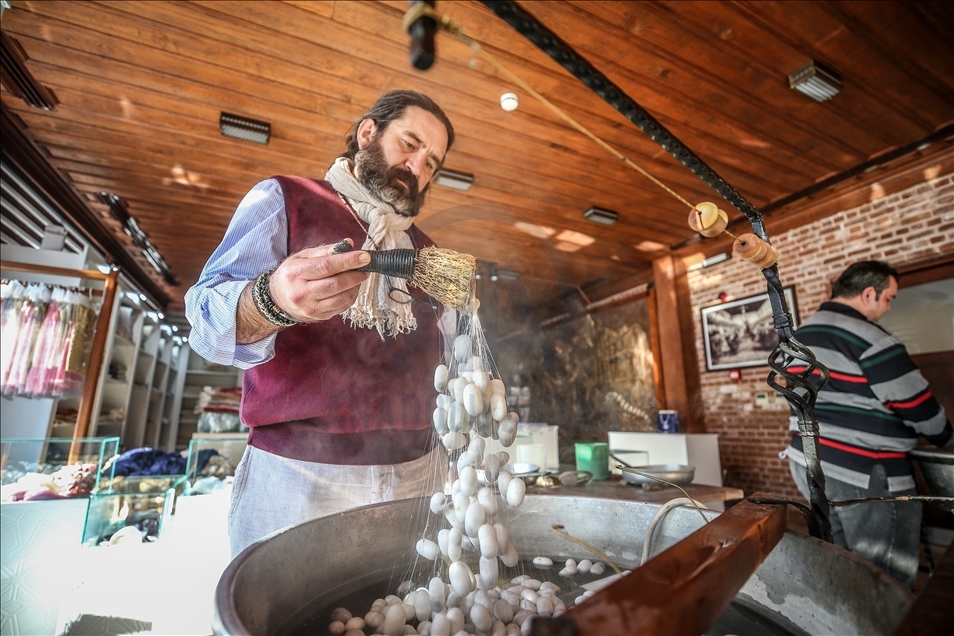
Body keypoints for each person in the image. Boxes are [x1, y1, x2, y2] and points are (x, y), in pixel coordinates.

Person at [185, 90, 456, 557]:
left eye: (431, 162)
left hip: (420, 477)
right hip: (298, 478)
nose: (417, 168)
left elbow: (452, 362)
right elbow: (205, 324)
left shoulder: (430, 256)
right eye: (410, 144)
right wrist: (270, 301)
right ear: (368, 133)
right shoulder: (286, 199)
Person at [786, 260, 952, 588]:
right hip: (866, 471)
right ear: (867, 294)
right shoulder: (870, 338)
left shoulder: (799, 336)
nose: (889, 308)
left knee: (841, 559)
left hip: (808, 461)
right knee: (885, 575)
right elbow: (916, 405)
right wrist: (946, 437)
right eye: (889, 298)